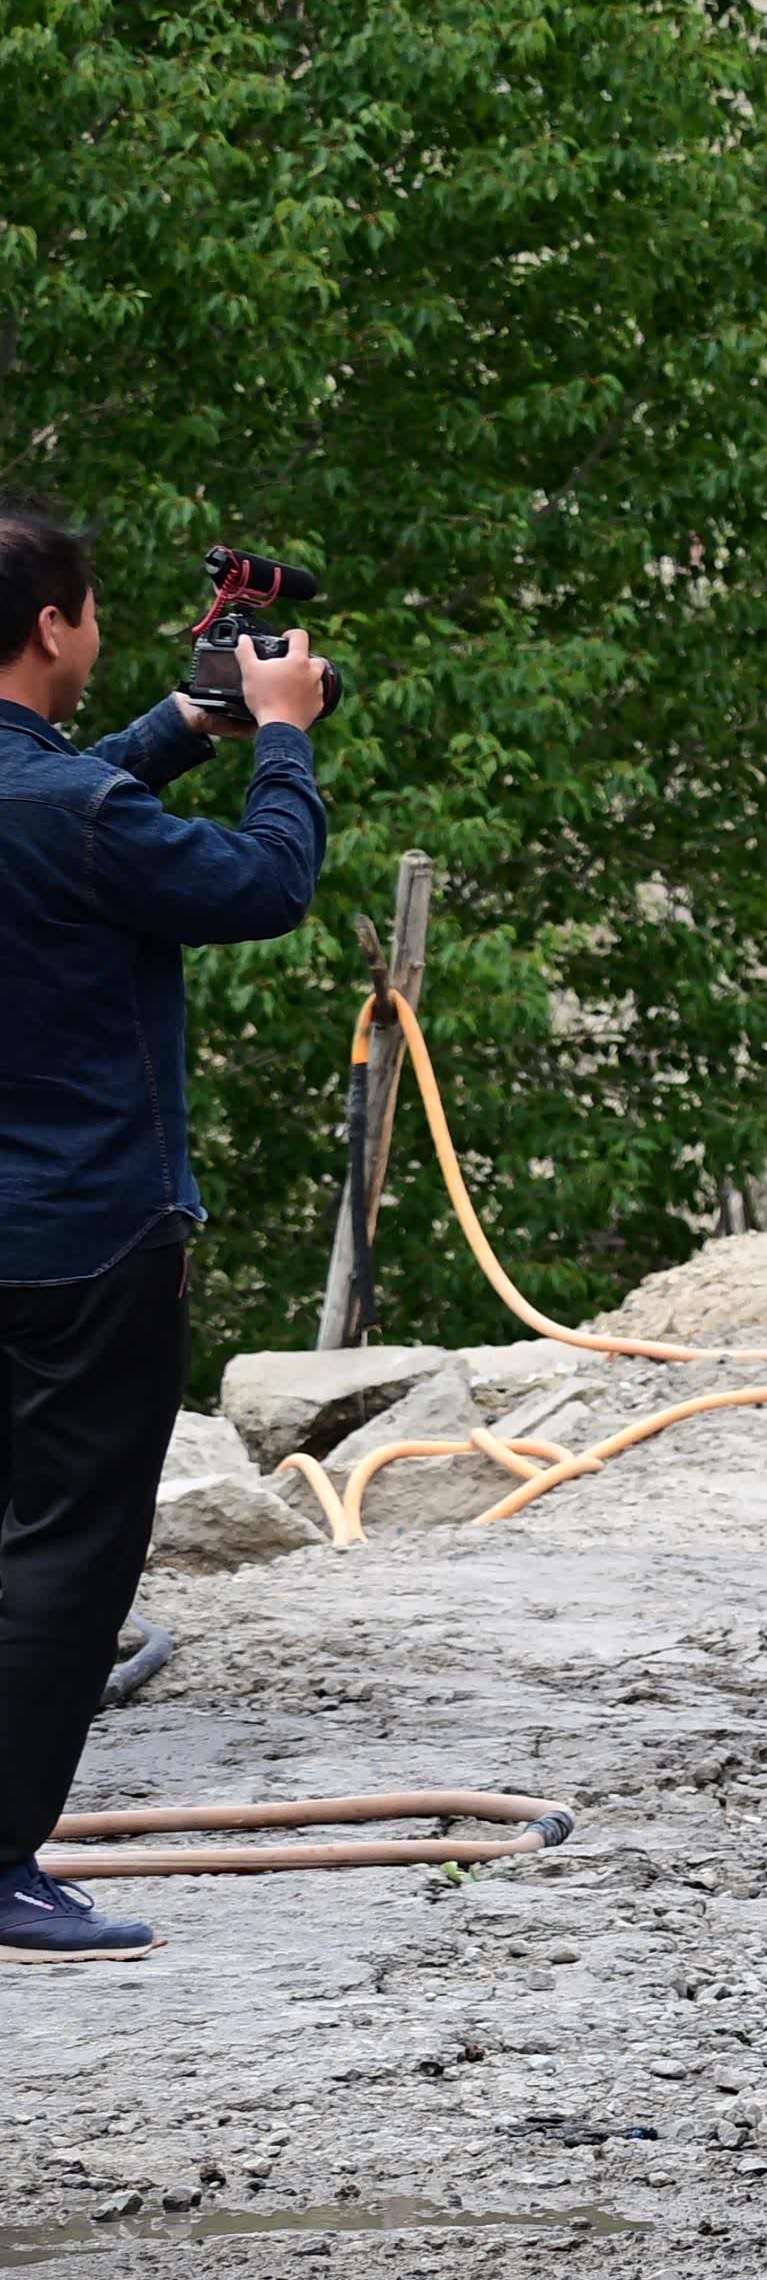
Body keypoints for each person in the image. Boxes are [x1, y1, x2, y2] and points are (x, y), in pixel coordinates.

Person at [0, 505, 331, 1961]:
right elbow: (266, 886)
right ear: (53, 625)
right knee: (66, 1556)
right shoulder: (71, 811)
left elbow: (64, 811)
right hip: (86, 1235)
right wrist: (281, 738)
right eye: (90, 614)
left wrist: (186, 723)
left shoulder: (60, 801)